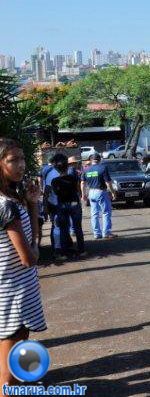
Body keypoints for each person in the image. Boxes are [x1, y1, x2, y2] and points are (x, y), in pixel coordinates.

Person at [0, 138, 47, 386]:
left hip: (18, 289)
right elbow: (28, 258)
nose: (20, 165)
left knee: (13, 357)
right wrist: (36, 252)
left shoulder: (13, 199)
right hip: (13, 294)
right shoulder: (5, 205)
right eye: (12, 160)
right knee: (7, 375)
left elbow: (31, 237)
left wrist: (32, 204)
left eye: (22, 158)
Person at [50, 154, 86, 259]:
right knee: (78, 228)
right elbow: (77, 190)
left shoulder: (54, 181)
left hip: (62, 205)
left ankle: (64, 252)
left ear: (57, 168)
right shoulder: (73, 178)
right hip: (74, 204)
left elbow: (56, 193)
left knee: (63, 229)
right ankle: (82, 250)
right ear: (67, 167)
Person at [81, 153, 116, 239]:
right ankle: (107, 232)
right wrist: (113, 192)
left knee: (94, 214)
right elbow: (108, 182)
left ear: (91, 160)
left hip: (91, 192)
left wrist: (83, 194)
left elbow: (82, 183)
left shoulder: (86, 170)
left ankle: (96, 234)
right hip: (100, 191)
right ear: (99, 160)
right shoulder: (103, 168)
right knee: (106, 212)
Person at [43, 153, 69, 259]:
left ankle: (64, 248)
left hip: (62, 204)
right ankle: (57, 252)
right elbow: (46, 192)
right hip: (55, 205)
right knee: (57, 227)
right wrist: (45, 208)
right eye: (62, 161)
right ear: (55, 163)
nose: (64, 163)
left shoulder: (60, 173)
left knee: (62, 226)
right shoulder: (52, 174)